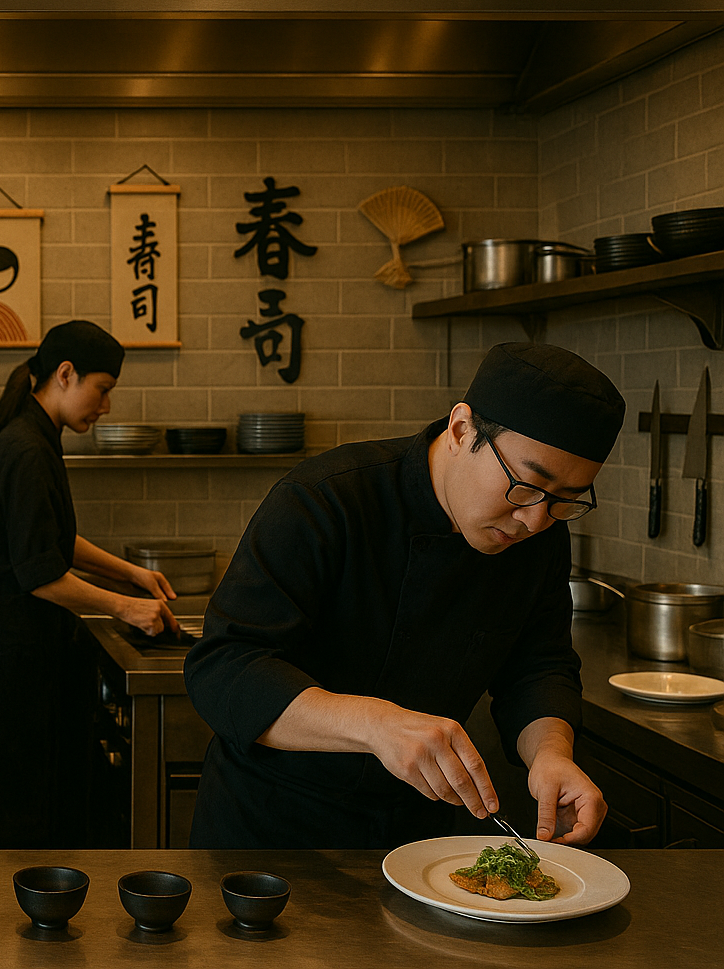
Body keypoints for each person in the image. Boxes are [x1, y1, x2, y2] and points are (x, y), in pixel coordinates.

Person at [185, 342, 623, 849]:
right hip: (273, 829)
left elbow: (539, 665)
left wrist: (551, 754)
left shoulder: (539, 527)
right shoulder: (327, 499)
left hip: (423, 837)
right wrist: (375, 724)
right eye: (526, 486)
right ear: (462, 430)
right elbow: (224, 667)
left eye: (566, 501)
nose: (534, 519)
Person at [0, 320, 180, 848]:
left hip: (12, 652)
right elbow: (40, 574)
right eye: (104, 389)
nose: (107, 407)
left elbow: (49, 538)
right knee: (10, 818)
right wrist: (125, 607)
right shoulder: (26, 447)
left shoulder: (34, 435)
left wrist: (130, 572)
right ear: (66, 375)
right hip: (3, 661)